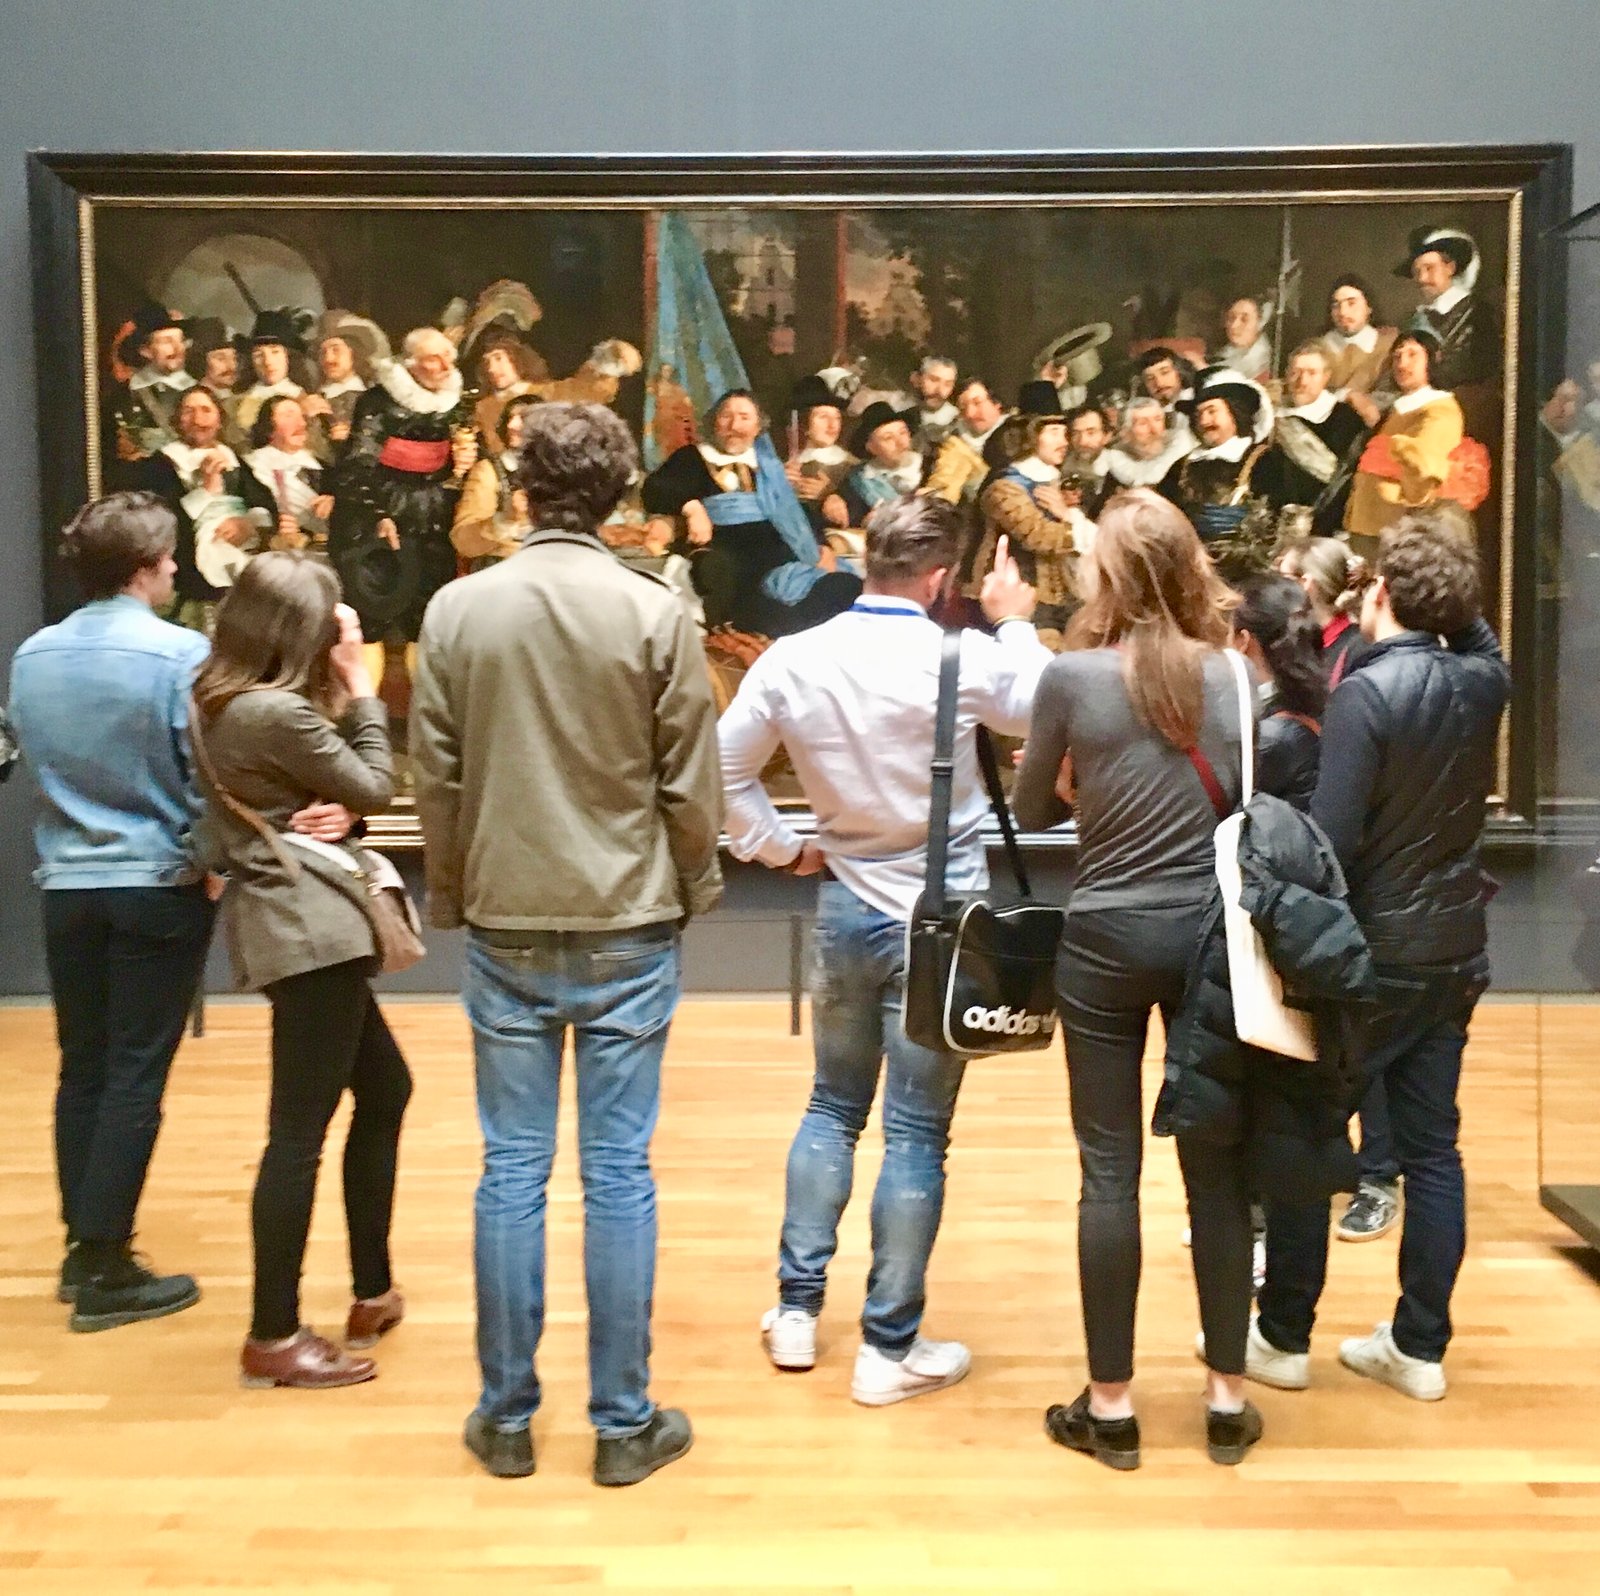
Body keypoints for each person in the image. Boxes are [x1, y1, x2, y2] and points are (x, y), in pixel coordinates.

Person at [411, 401, 723, 1488]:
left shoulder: (458, 611)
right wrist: (697, 887)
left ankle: (504, 1417)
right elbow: (688, 781)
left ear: (525, 485)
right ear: (621, 494)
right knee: (617, 1174)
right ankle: (621, 1423)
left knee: (510, 1171)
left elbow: (435, 782)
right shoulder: (652, 611)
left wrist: (452, 895)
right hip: (628, 920)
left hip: (505, 916)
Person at [718, 496, 1049, 1405]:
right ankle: (887, 1350)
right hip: (943, 925)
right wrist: (1015, 623)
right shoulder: (963, 654)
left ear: (869, 560)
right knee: (915, 1130)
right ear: (942, 577)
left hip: (843, 906)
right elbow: (1039, 705)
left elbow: (722, 773)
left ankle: (795, 1315)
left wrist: (784, 847)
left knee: (830, 1109)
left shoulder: (796, 657)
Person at [1013, 488, 1262, 1470]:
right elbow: (1247, 803)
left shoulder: (1069, 677)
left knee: (1107, 1172)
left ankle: (1110, 1409)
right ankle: (1226, 1400)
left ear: (1107, 577)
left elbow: (1036, 804)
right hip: (1208, 939)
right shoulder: (1236, 680)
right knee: (1216, 1170)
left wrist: (1086, 781)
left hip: (1105, 938)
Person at [1253, 509, 1509, 1402]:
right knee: (1433, 1150)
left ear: (1385, 594)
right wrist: (1436, 587)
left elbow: (1332, 837)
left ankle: (1284, 1338)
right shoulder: (1484, 679)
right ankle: (1419, 1349)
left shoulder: (1365, 691)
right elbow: (1480, 634)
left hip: (1374, 955)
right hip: (1455, 949)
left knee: (1307, 1137)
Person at [191, 552, 412, 1390]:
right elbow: (380, 784)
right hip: (309, 930)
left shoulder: (219, 696)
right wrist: (359, 683)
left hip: (299, 925)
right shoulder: (273, 713)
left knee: (386, 1092)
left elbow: (339, 796)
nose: (338, 630)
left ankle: (371, 1289)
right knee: (297, 1135)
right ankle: (274, 1334)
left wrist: (342, 802)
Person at [7, 492, 219, 1331]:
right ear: (142, 568)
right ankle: (104, 1267)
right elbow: (205, 773)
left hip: (67, 886)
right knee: (135, 1072)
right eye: (167, 557)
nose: (174, 568)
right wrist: (209, 864)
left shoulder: (32, 655)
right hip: (155, 884)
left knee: (83, 1067)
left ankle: (80, 1246)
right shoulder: (181, 654)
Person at [641, 388, 860, 636]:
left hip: (779, 554)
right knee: (731, 581)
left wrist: (822, 545)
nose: (735, 425)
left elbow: (795, 511)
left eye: (745, 418)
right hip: (729, 554)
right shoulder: (693, 457)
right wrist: (692, 509)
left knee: (844, 584)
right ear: (714, 422)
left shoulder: (769, 466)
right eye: (726, 417)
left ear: (757, 427)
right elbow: (656, 489)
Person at [328, 327, 478, 684]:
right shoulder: (379, 402)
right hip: (381, 513)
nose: (444, 365)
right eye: (433, 359)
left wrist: (465, 461)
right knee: (373, 617)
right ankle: (364, 709)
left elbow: (461, 457)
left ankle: (423, 713)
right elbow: (356, 465)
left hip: (434, 514)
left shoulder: (458, 402)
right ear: (411, 364)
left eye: (448, 357)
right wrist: (377, 513)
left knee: (425, 618)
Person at [142, 386, 275, 617]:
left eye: (205, 410)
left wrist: (247, 524)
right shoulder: (161, 464)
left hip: (244, 545)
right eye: (188, 411)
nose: (197, 419)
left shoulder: (233, 460)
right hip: (190, 559)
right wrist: (205, 491)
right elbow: (160, 518)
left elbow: (263, 502)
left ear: (219, 419)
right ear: (177, 421)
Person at [967, 385, 1083, 645]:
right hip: (1013, 596)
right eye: (1053, 432)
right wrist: (1085, 532)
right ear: (1031, 435)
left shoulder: (1054, 480)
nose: (1063, 442)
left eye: (1064, 433)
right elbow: (1038, 535)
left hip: (1060, 596)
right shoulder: (1004, 486)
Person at [1344, 329, 1464, 557]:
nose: (1402, 363)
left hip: (1399, 529)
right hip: (1369, 524)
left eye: (1412, 355)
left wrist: (1389, 450)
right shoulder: (1398, 406)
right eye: (1397, 356)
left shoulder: (1440, 409)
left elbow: (1426, 469)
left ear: (1433, 359)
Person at [1253, 342, 1369, 534]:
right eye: (1295, 372)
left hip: (1327, 525)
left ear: (1326, 377)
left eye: (1311, 373)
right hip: (1274, 526)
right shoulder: (1272, 417)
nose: (1302, 381)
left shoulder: (1345, 418)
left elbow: (1345, 480)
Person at [1159, 367, 1272, 540]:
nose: (1204, 421)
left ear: (1235, 413)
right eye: (1198, 414)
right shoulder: (1181, 466)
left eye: (1212, 411)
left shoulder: (1267, 461)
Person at [240, 395, 335, 567]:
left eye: (301, 417)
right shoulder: (250, 467)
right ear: (269, 427)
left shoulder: (323, 468)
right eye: (289, 415)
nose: (300, 424)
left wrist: (333, 502)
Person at [105, 307, 196, 479]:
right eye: (167, 341)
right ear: (145, 351)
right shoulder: (123, 396)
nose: (177, 349)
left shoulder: (198, 391)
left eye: (181, 340)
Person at [451, 392, 538, 567]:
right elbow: (464, 543)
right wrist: (504, 520)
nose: (513, 425)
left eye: (524, 417)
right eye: (510, 418)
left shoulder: (558, 470)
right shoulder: (489, 471)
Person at [922, 376, 1010, 505]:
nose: (970, 413)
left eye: (977, 403)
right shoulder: (957, 446)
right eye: (963, 408)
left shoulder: (1021, 427)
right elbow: (945, 480)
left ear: (996, 404)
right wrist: (934, 498)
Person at [841, 403, 924, 523]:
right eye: (888, 438)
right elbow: (854, 519)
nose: (901, 442)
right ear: (871, 447)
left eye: (903, 433)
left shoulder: (929, 467)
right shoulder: (861, 480)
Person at [233, 310, 310, 438]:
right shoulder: (235, 404)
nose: (267, 362)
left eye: (275, 352)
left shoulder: (305, 399)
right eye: (258, 355)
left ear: (289, 356)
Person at [1323, 275, 1397, 401]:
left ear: (1369, 307)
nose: (1343, 312)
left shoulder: (1389, 346)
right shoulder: (1318, 349)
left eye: (1351, 303)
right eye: (1336, 305)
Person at [1102, 397, 1192, 490]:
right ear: (1125, 433)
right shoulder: (1115, 457)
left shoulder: (1180, 440)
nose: (1154, 429)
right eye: (1143, 423)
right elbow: (1146, 479)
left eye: (1157, 419)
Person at [1216, 296, 1273, 383]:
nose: (1234, 325)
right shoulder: (1223, 353)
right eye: (1231, 317)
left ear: (1260, 322)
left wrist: (1198, 363)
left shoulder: (1260, 363)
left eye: (1244, 319)